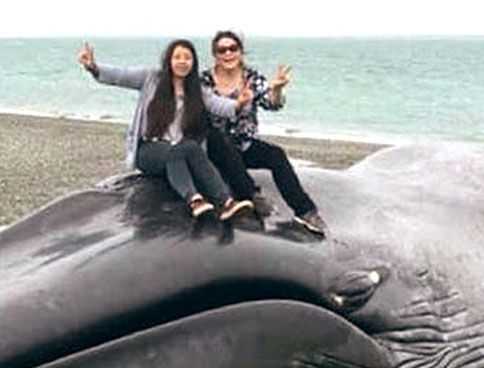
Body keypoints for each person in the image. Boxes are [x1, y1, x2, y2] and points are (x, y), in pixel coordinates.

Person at [77, 39, 254, 221]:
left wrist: (239, 103)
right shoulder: (152, 78)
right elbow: (121, 76)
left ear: (193, 63)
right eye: (177, 57)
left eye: (187, 58)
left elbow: (218, 105)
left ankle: (226, 203)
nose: (182, 61)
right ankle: (193, 199)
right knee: (176, 152)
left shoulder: (196, 89)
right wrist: (93, 67)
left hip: (179, 149)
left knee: (191, 147)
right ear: (169, 60)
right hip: (149, 150)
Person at [201, 30, 328, 235]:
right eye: (221, 50)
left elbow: (272, 104)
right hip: (216, 147)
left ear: (240, 51)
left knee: (276, 155)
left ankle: (305, 211)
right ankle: (251, 195)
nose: (227, 54)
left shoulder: (251, 77)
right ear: (215, 54)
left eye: (233, 48)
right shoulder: (205, 80)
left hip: (244, 144)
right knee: (219, 139)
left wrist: (276, 89)